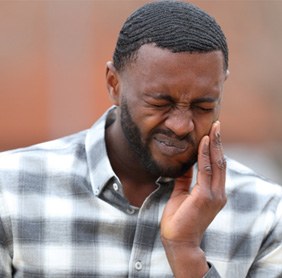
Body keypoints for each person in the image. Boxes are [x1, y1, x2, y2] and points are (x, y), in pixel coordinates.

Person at [0, 0, 281, 277]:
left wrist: (186, 255)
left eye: (203, 107)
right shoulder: (10, 189)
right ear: (114, 84)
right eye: (160, 103)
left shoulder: (264, 214)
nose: (182, 126)